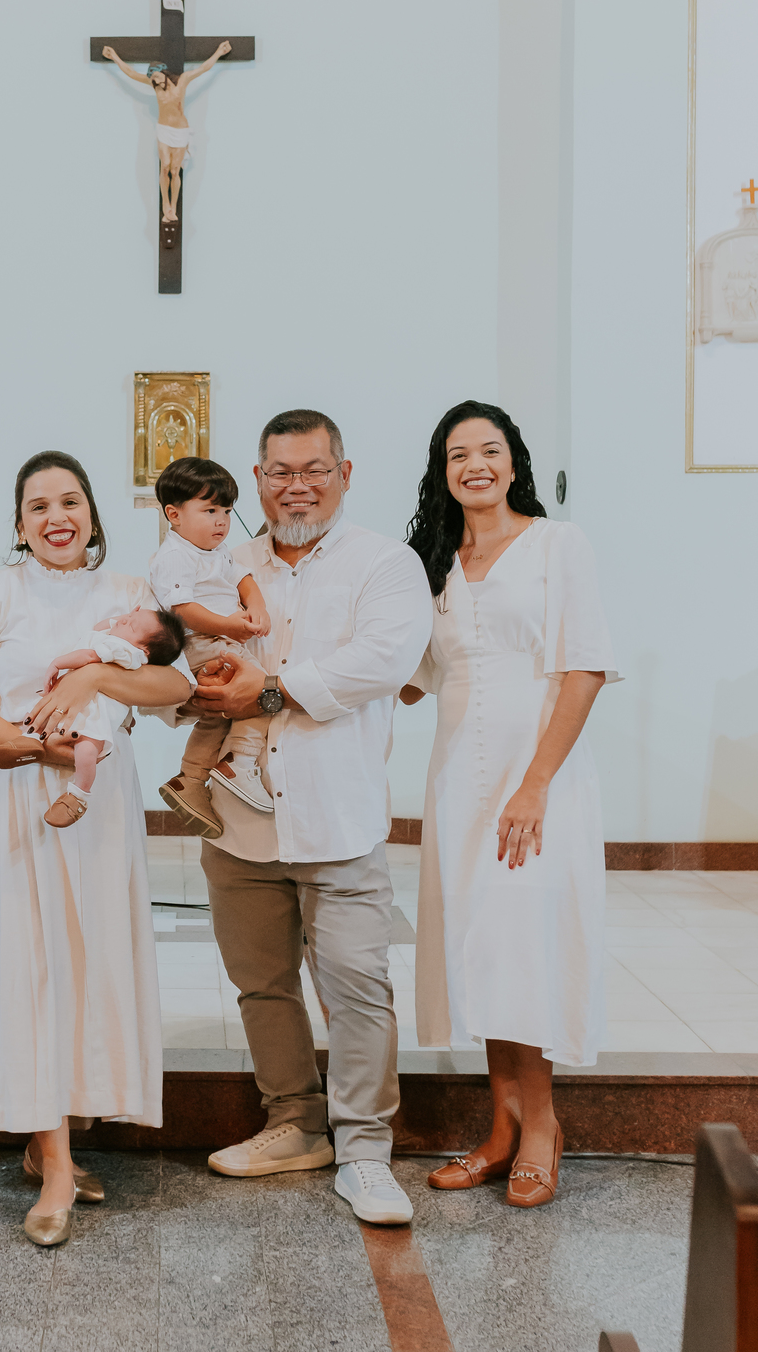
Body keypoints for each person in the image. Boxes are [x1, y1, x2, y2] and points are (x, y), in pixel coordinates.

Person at [0, 451, 191, 1246]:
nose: (55, 518)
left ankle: (55, 1147)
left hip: (98, 805)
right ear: (19, 525)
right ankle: (57, 1162)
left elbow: (177, 689)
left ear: (92, 515)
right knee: (26, 968)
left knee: (85, 962)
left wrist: (96, 685)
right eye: (37, 506)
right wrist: (25, 745)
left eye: (69, 501)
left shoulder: (128, 594)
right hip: (12, 799)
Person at [191, 410, 433, 1226]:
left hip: (340, 818)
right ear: (255, 477)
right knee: (261, 985)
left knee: (358, 987)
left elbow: (381, 662)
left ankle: (365, 1151)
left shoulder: (384, 565)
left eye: (314, 469)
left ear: (345, 472)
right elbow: (187, 653)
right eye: (280, 471)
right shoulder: (223, 564)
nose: (297, 485)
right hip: (240, 819)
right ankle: (293, 1123)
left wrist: (264, 689)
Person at [400, 402, 618, 1209]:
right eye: (458, 454)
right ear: (443, 471)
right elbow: (410, 676)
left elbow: (585, 668)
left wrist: (535, 784)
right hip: (460, 781)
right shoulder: (435, 562)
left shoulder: (559, 546)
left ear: (514, 463)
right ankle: (500, 1128)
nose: (475, 465)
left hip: (539, 781)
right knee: (484, 947)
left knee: (527, 942)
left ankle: (542, 1128)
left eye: (489, 451)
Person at [151, 456, 274, 837]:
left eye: (227, 510)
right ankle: (240, 760)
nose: (222, 520)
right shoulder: (174, 556)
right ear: (174, 515)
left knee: (216, 714)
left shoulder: (217, 552)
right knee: (264, 691)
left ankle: (190, 777)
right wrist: (228, 627)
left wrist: (256, 606)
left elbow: (244, 579)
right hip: (205, 642)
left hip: (223, 637)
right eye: (209, 510)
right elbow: (182, 609)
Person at [0, 603, 186, 827]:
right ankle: (28, 742)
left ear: (145, 650)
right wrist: (131, 619)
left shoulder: (127, 652)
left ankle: (79, 794)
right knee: (44, 716)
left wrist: (58, 663)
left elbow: (89, 656)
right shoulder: (116, 639)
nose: (122, 620)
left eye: (131, 625)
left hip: (96, 717)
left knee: (86, 751)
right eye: (129, 616)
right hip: (78, 707)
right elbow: (101, 626)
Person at [100, 39, 232, 223]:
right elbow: (130, 73)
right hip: (163, 130)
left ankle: (173, 208)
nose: (155, 81)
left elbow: (203, 68)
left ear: (163, 72)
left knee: (175, 169)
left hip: (180, 131)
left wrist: (219, 52)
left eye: (156, 76)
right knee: (164, 167)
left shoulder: (182, 81)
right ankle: (165, 207)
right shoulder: (155, 87)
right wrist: (114, 56)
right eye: (152, 79)